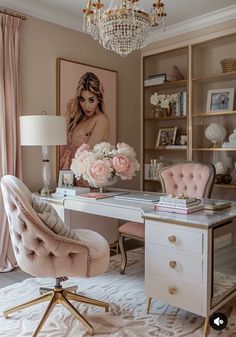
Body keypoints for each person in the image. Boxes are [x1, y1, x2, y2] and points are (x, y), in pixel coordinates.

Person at [60, 72, 110, 169]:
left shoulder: (101, 120)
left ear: (98, 99)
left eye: (91, 100)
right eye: (82, 99)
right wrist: (68, 113)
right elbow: (61, 141)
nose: (86, 106)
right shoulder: (78, 119)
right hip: (68, 174)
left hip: (84, 176)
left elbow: (89, 155)